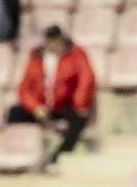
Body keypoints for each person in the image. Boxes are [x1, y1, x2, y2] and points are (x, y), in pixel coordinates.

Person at [9, 26, 97, 164]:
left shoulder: (76, 54)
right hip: (42, 107)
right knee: (14, 113)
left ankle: (60, 155)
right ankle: (20, 154)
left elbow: (87, 78)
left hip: (65, 104)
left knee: (79, 118)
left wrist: (79, 102)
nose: (53, 44)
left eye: (56, 40)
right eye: (50, 41)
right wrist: (35, 107)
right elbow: (23, 89)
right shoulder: (36, 58)